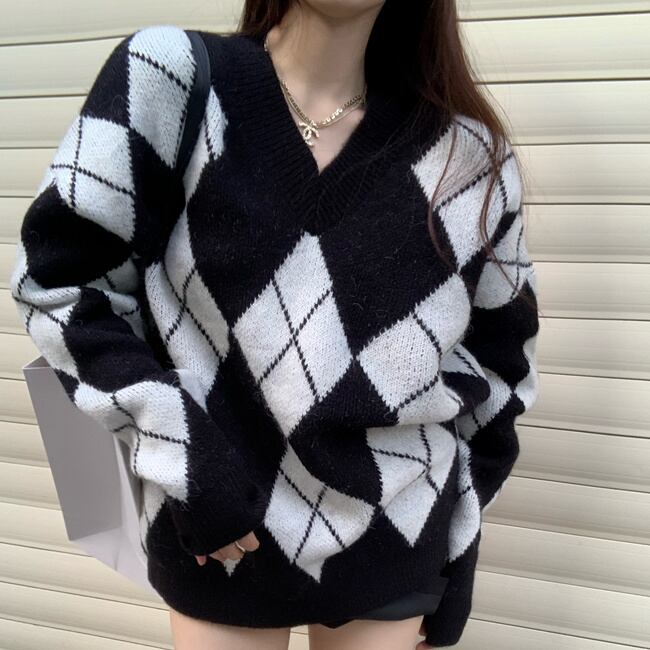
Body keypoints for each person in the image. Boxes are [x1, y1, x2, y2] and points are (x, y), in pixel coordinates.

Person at [9, 0, 540, 648]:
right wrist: (182, 451)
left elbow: (499, 372)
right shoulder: (169, 78)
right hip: (219, 531)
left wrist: (457, 545)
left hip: (397, 536)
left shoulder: (471, 160)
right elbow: (61, 285)